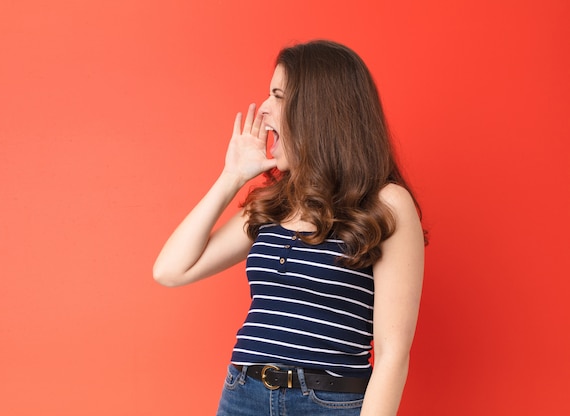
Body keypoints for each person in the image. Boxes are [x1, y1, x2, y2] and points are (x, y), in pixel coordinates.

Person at [153, 40, 425, 416]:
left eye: (278, 96)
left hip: (328, 403)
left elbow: (394, 353)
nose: (262, 109)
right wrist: (231, 177)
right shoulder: (277, 202)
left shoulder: (387, 203)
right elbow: (170, 270)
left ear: (317, 110)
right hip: (243, 394)